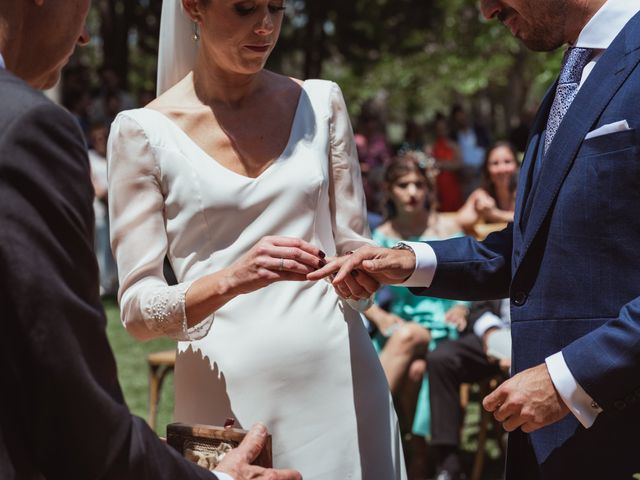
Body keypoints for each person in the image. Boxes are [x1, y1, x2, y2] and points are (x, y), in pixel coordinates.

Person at [310, 0, 640, 477]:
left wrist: (571, 379)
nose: (486, 11)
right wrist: (407, 261)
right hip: (549, 438)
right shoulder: (571, 77)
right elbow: (529, 250)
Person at [0, 1, 300, 480]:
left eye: (276, 7)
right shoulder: (22, 126)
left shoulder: (320, 103)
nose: (83, 38)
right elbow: (70, 409)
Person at [107, 1, 406, 479]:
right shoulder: (143, 133)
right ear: (194, 8)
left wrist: (365, 274)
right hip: (225, 397)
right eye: (245, 8)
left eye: (276, 7)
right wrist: (232, 278)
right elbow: (138, 312)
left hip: (340, 381)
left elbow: (355, 246)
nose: (265, 26)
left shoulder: (322, 102)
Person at [362, 152, 470, 477]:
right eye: (403, 185)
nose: (412, 192)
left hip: (438, 324)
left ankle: (362, 426)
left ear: (429, 188)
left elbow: (473, 274)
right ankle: (418, 457)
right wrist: (380, 318)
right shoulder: (379, 235)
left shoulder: (446, 226)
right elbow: (365, 293)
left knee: (405, 337)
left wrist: (462, 307)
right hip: (397, 324)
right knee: (415, 370)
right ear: (389, 190)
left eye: (419, 184)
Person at [458, 141, 519, 230]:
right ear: (487, 169)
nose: (502, 169)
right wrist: (477, 212)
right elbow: (458, 223)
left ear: (517, 165)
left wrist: (495, 215)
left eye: (507, 161)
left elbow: (529, 219)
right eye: (495, 163)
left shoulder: (526, 192)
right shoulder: (481, 195)